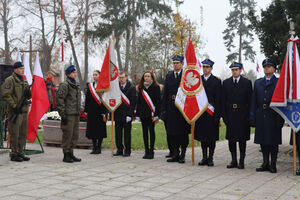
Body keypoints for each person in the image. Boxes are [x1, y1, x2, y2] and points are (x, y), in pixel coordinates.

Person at [250, 58, 284, 173]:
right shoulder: (258, 82)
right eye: (265, 66)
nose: (266, 68)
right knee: (263, 141)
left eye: (269, 66)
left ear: (274, 69)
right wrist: (252, 116)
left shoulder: (279, 82)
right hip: (261, 114)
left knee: (273, 142)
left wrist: (280, 118)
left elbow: (281, 102)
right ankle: (265, 163)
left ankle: (273, 164)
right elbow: (253, 101)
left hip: (273, 115)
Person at [222, 62, 253, 169]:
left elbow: (250, 101)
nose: (234, 71)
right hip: (230, 114)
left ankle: (241, 160)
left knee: (242, 139)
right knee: (231, 139)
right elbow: (223, 100)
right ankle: (233, 160)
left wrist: (249, 116)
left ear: (240, 70)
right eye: (233, 70)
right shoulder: (226, 83)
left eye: (236, 69)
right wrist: (224, 116)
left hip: (242, 114)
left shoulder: (247, 83)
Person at [162, 55, 190, 164]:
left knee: (182, 133)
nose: (175, 65)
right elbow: (165, 93)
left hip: (183, 108)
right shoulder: (169, 76)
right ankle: (175, 153)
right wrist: (163, 109)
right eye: (174, 63)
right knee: (172, 133)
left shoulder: (186, 76)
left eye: (178, 63)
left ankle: (183, 154)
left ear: (182, 64)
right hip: (171, 108)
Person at [1, 62, 31, 162]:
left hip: (24, 111)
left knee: (23, 133)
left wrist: (29, 94)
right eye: (21, 68)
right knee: (15, 133)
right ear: (15, 69)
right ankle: (14, 153)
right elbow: (6, 94)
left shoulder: (24, 80)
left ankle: (20, 152)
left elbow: (27, 96)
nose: (23, 70)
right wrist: (14, 106)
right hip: (15, 112)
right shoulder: (10, 80)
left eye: (23, 68)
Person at [195, 59, 222, 167]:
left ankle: (210, 158)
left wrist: (217, 115)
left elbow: (219, 100)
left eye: (207, 67)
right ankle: (204, 157)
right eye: (204, 67)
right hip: (201, 113)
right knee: (202, 137)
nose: (205, 69)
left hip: (211, 113)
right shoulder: (198, 80)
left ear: (211, 68)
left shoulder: (216, 81)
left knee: (211, 138)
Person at [56, 65, 82, 163]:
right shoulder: (65, 85)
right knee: (68, 134)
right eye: (73, 72)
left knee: (74, 135)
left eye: (75, 72)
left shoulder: (76, 85)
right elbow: (60, 100)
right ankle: (66, 154)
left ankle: (71, 152)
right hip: (68, 113)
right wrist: (62, 114)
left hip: (75, 113)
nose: (75, 73)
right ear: (68, 74)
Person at [136, 71, 161, 159]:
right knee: (144, 132)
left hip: (151, 114)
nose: (146, 78)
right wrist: (137, 114)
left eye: (148, 76)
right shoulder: (141, 88)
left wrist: (156, 114)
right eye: (145, 76)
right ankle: (146, 151)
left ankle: (151, 151)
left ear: (151, 77)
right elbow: (138, 101)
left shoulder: (156, 87)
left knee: (151, 131)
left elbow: (158, 102)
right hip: (143, 114)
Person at [114, 71, 136, 157]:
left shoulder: (131, 88)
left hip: (127, 114)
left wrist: (130, 115)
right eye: (119, 78)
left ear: (126, 77)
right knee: (118, 133)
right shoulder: (116, 87)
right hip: (118, 114)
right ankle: (119, 149)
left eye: (122, 77)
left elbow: (133, 103)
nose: (121, 79)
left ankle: (127, 150)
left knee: (127, 134)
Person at [84, 70, 107, 154]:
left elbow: (105, 99)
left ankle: (99, 147)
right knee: (92, 130)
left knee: (100, 130)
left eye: (96, 75)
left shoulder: (104, 86)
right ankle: (94, 147)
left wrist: (104, 111)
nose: (94, 76)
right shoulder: (90, 86)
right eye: (93, 75)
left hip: (101, 111)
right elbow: (87, 99)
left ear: (100, 76)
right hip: (92, 111)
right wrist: (86, 110)